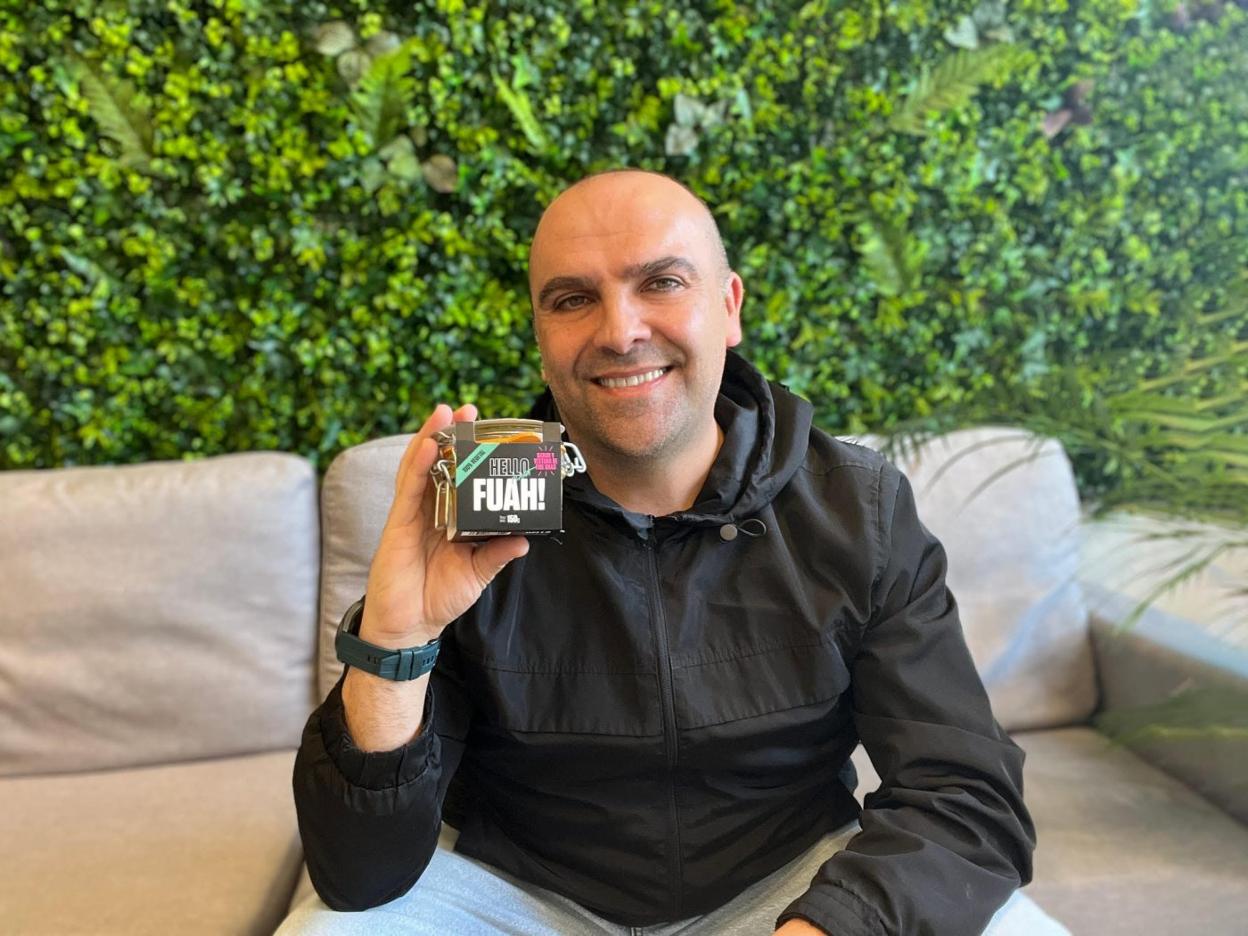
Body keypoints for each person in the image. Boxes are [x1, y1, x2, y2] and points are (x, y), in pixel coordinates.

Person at [278, 169, 1071, 936]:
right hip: (510, 888)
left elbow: (965, 797)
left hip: (788, 884)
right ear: (541, 336)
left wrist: (829, 928)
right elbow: (360, 877)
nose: (619, 331)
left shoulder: (854, 509)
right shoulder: (476, 515)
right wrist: (396, 639)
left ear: (728, 307)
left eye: (661, 282)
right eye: (573, 299)